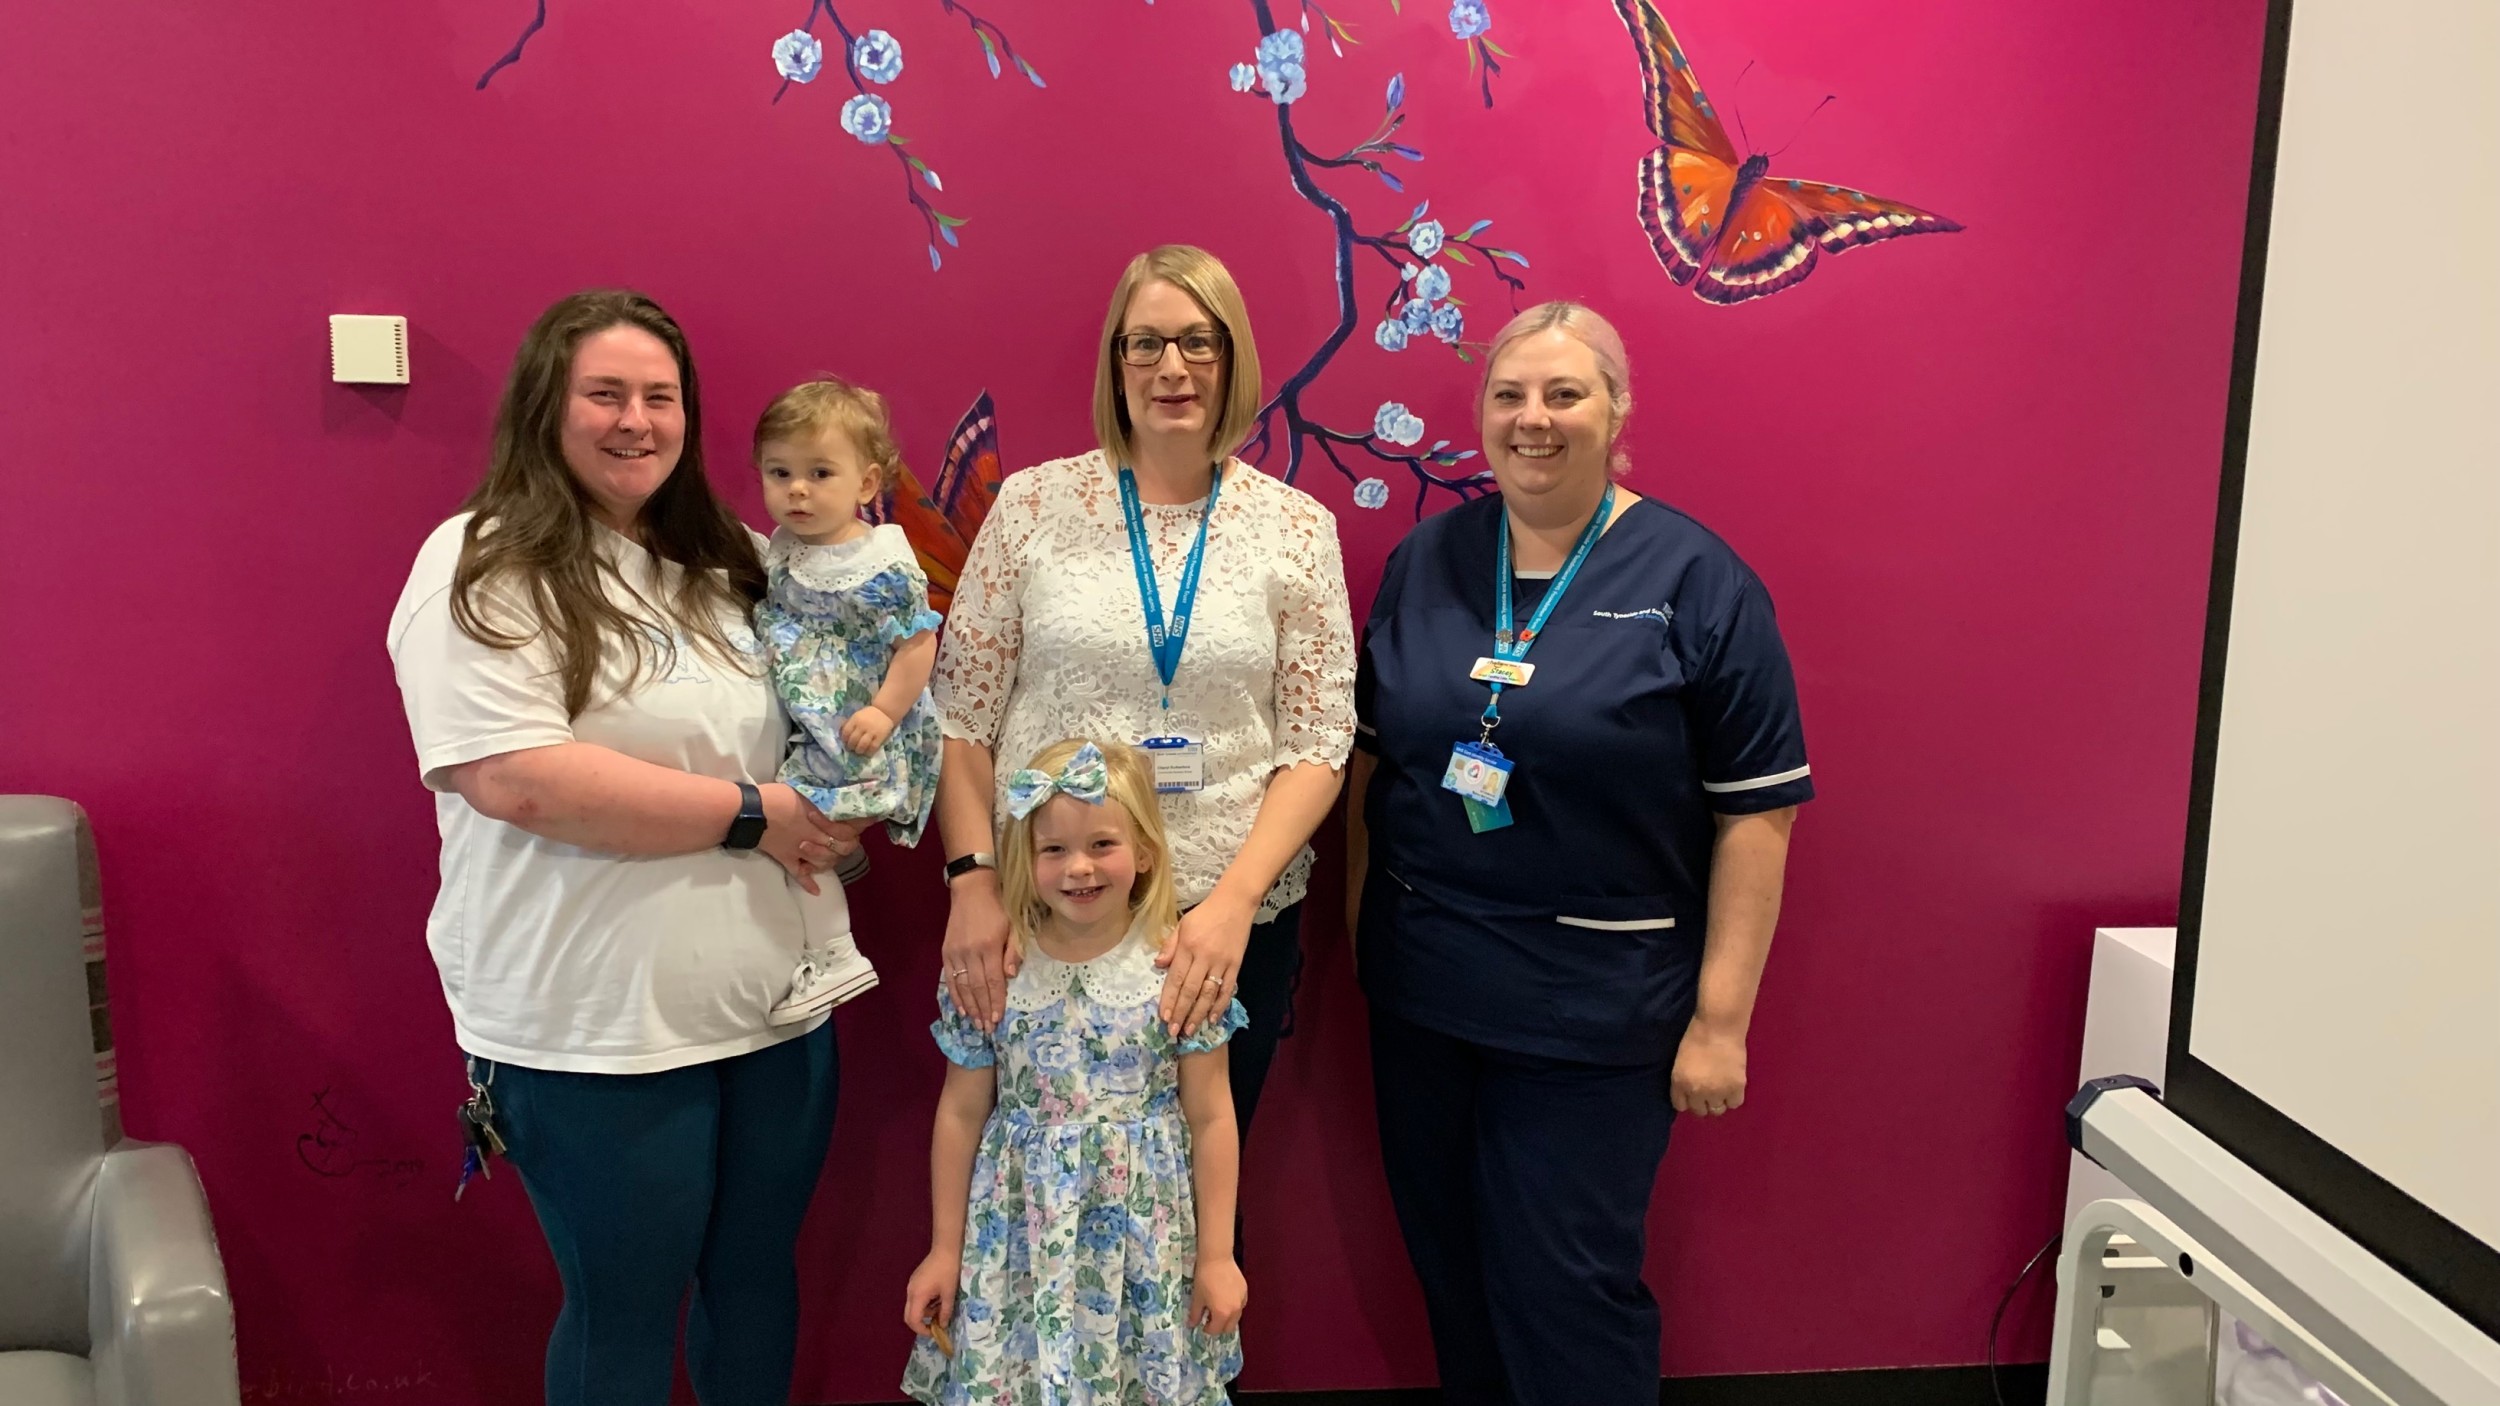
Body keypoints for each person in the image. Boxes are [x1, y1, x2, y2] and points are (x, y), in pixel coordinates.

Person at [385, 289, 856, 1406]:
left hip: (772, 1000)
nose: (634, 419)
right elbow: (517, 775)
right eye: (606, 393)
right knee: (626, 1309)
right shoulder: (480, 563)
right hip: (594, 1025)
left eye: (659, 396)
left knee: (752, 1282)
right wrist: (757, 812)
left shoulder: (733, 562)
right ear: (548, 406)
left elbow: (826, 707)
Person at [1345, 301, 1813, 1406]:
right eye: (1509, 395)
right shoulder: (1428, 559)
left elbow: (1759, 815)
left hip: (1592, 1010)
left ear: (1616, 413)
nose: (1534, 419)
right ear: (1481, 414)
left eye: (1564, 394)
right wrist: (1367, 937)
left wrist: (1720, 1020)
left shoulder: (1697, 581)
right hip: (1424, 997)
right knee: (1453, 1276)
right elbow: (1372, 766)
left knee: (1563, 1286)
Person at [931, 244, 1355, 1155]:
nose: (1172, 368)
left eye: (1199, 342)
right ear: (1115, 363)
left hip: (1224, 922)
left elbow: (1318, 742)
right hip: (1051, 910)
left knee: (1206, 1192)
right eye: (1147, 344)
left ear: (1233, 358)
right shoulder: (1033, 507)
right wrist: (970, 883)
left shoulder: (1295, 527)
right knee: (1042, 1173)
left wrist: (1234, 904)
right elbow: (961, 719)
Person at [902, 739, 1248, 1405]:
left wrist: (1216, 1255)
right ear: (1023, 861)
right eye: (1053, 849)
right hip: (1018, 1245)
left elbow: (1211, 1117)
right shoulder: (994, 975)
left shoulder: (1180, 977)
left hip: (1145, 1246)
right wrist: (945, 1250)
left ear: (1144, 852)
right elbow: (961, 1112)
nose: (1079, 868)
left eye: (1102, 845)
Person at [752, 375, 945, 1022]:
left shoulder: (880, 565)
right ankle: (847, 863)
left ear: (865, 484)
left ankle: (836, 952)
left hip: (851, 725)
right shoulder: (784, 546)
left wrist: (885, 710)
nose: (797, 490)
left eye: (819, 473)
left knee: (798, 837)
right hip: (808, 714)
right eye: (780, 472)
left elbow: (918, 644)